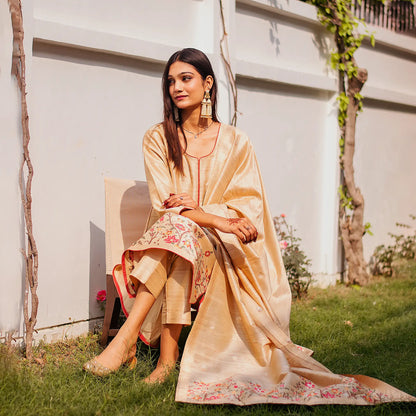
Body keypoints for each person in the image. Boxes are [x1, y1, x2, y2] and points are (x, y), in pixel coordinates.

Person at [84, 48, 415, 405]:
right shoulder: (157, 138)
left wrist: (208, 217)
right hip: (172, 238)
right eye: (170, 81)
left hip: (217, 248)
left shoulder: (236, 142)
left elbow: (249, 205)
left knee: (182, 233)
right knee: (178, 232)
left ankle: (131, 344)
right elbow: (165, 202)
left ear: (207, 83)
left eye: (186, 78)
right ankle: (160, 357)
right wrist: (214, 217)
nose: (176, 88)